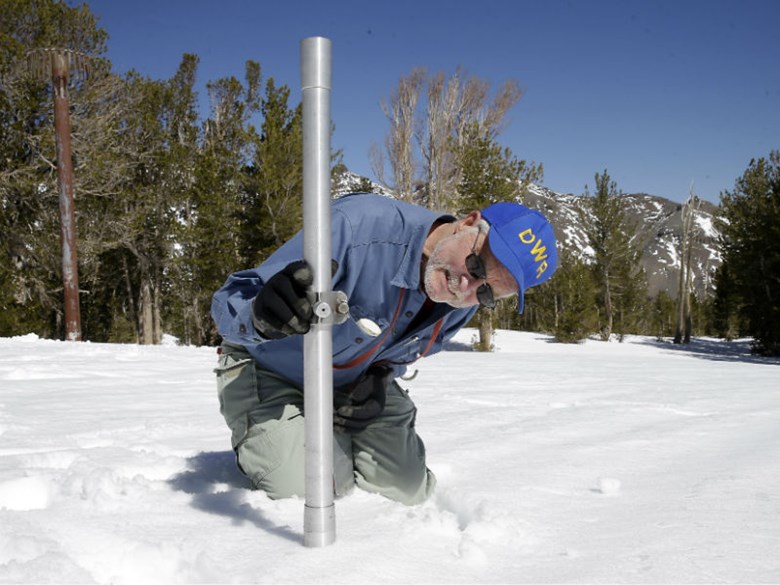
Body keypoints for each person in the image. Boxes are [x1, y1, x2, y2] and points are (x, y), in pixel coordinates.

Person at [211, 192, 557, 505]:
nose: (465, 288)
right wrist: (260, 315)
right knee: (311, 491)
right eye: (476, 265)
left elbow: (399, 352)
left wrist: (379, 376)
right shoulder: (358, 225)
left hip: (349, 381)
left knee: (407, 490)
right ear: (467, 223)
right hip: (268, 366)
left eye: (486, 293)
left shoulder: (461, 305)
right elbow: (229, 302)